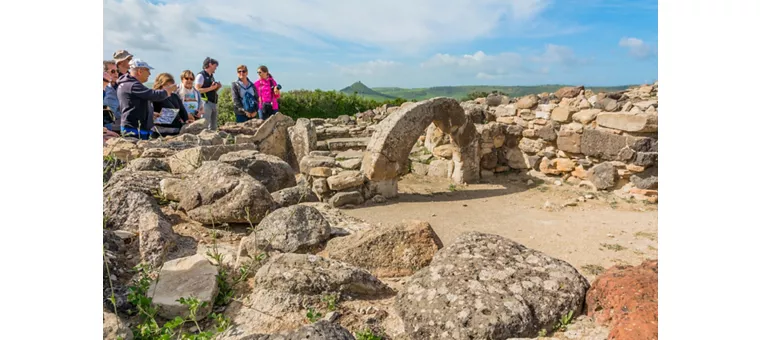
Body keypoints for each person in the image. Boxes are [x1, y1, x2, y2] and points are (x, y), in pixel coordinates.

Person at [116, 58, 174, 140]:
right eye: (148, 70)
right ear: (140, 71)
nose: (149, 74)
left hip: (135, 127)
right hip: (134, 129)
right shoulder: (132, 85)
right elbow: (153, 95)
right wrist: (167, 91)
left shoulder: (128, 84)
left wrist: (149, 113)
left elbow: (133, 105)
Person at [151, 73, 191, 138]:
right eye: (166, 85)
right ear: (160, 84)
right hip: (160, 131)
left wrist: (186, 121)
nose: (169, 87)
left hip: (176, 130)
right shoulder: (155, 96)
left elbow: (183, 112)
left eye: (170, 85)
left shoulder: (174, 96)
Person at [194, 57, 222, 130]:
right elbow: (197, 90)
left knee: (213, 126)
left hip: (213, 102)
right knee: (205, 125)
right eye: (215, 66)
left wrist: (217, 87)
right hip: (205, 103)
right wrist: (211, 88)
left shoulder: (211, 76)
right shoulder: (201, 75)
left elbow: (211, 90)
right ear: (210, 64)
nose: (216, 68)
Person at [103, 60, 121, 131]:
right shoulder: (104, 88)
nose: (116, 73)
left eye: (117, 71)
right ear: (104, 72)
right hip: (107, 126)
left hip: (117, 124)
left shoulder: (119, 86)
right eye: (113, 71)